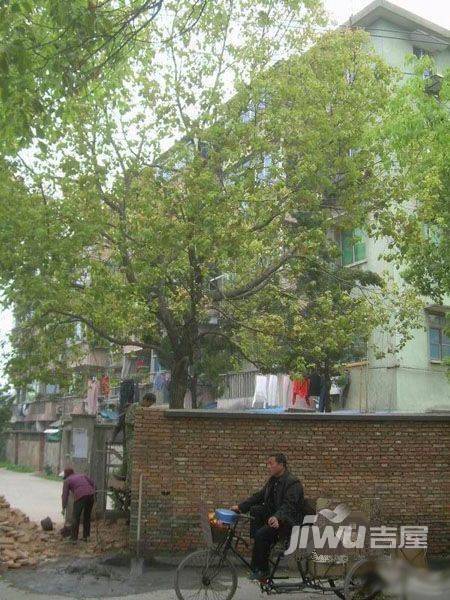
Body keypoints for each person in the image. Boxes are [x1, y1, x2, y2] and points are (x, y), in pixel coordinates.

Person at [230, 453, 304, 581]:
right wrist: (241, 507)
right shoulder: (273, 480)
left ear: (281, 465)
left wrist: (277, 517)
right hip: (275, 519)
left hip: (288, 523)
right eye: (268, 463)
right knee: (255, 510)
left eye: (271, 463)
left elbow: (289, 505)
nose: (268, 466)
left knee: (261, 534)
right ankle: (262, 545)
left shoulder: (293, 483)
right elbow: (259, 496)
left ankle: (263, 571)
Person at [62, 468, 96, 542]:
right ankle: (86, 537)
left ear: (66, 475)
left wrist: (63, 507)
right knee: (87, 516)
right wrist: (94, 494)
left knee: (75, 517)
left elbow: (65, 495)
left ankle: (73, 538)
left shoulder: (67, 480)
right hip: (90, 495)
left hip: (81, 496)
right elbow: (93, 484)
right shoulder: (82, 475)